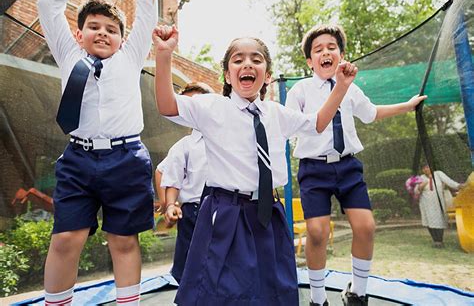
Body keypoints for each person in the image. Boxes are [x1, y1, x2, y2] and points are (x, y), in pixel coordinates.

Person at [153, 24, 358, 305]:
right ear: (227, 74)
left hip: (267, 214)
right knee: (221, 291)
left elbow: (318, 123)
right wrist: (164, 55)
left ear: (267, 75)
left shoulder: (276, 113)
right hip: (225, 213)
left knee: (274, 289)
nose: (247, 63)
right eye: (238, 60)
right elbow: (166, 105)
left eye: (256, 59)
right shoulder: (212, 107)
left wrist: (341, 87)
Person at [285, 24, 427, 306]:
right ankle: (317, 298)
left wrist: (407, 105)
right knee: (316, 232)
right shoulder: (300, 90)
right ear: (309, 61)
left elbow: (372, 114)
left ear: (342, 55)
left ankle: (357, 292)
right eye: (318, 50)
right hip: (314, 169)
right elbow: (291, 127)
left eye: (331, 47)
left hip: (348, 167)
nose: (326, 52)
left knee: (366, 227)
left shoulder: (351, 89)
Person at [37, 0, 157, 305]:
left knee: (123, 240)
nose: (102, 32)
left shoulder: (131, 57)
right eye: (94, 26)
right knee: (65, 238)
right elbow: (47, 4)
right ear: (79, 33)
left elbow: (147, 8)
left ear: (122, 37)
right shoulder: (68, 54)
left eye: (111, 29)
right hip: (78, 157)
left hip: (126, 158)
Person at [154, 82, 214, 283]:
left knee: (222, 268)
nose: (192, 109)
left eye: (197, 103)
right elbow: (165, 174)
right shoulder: (186, 145)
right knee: (189, 270)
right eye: (186, 106)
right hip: (193, 213)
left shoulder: (229, 137)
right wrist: (168, 205)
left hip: (225, 210)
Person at [416, 165, 463, 248]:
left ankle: (440, 240)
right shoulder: (421, 177)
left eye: (427, 167)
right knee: (429, 221)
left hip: (438, 202)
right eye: (424, 168)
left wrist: (459, 186)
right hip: (426, 203)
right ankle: (435, 240)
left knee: (439, 220)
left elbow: (450, 182)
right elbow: (416, 190)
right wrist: (423, 184)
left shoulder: (438, 174)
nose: (426, 169)